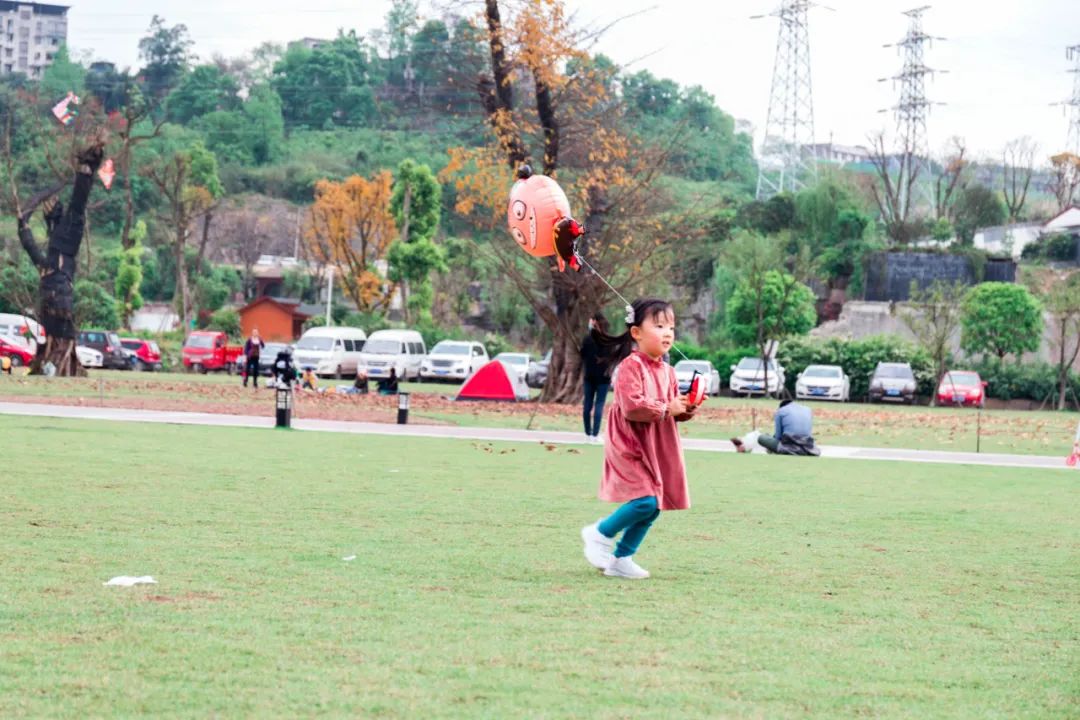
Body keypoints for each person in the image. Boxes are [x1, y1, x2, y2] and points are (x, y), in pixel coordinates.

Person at [579, 298, 699, 579]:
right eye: (659, 326)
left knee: (654, 505)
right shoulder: (629, 367)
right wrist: (667, 408)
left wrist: (686, 408)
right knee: (645, 501)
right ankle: (599, 533)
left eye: (671, 326)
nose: (667, 332)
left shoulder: (668, 371)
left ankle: (621, 559)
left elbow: (671, 409)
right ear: (636, 333)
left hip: (657, 444)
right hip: (630, 445)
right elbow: (633, 407)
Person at [731, 399, 819, 456]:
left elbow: (778, 436)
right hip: (808, 446)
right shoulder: (807, 409)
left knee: (762, 437)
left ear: (781, 406)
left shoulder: (781, 411)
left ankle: (743, 446)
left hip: (788, 446)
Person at [580, 312, 612, 443]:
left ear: (595, 323)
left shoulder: (587, 339)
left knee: (587, 404)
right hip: (603, 377)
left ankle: (587, 434)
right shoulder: (609, 341)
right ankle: (595, 435)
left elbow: (582, 355)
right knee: (599, 404)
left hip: (589, 376)